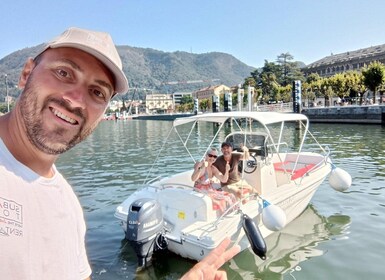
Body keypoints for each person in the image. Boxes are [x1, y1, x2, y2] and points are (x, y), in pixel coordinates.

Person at [0, 27, 238, 280]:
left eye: (97, 92)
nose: (76, 100)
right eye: (63, 73)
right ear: (26, 73)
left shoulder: (66, 204)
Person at [191, 147, 236, 213]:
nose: (212, 158)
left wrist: (227, 170)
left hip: (210, 190)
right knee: (225, 199)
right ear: (206, 155)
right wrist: (201, 168)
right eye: (210, 155)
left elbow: (224, 180)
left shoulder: (213, 168)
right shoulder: (200, 164)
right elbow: (193, 178)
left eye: (215, 156)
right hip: (200, 190)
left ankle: (231, 213)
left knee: (231, 195)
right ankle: (224, 214)